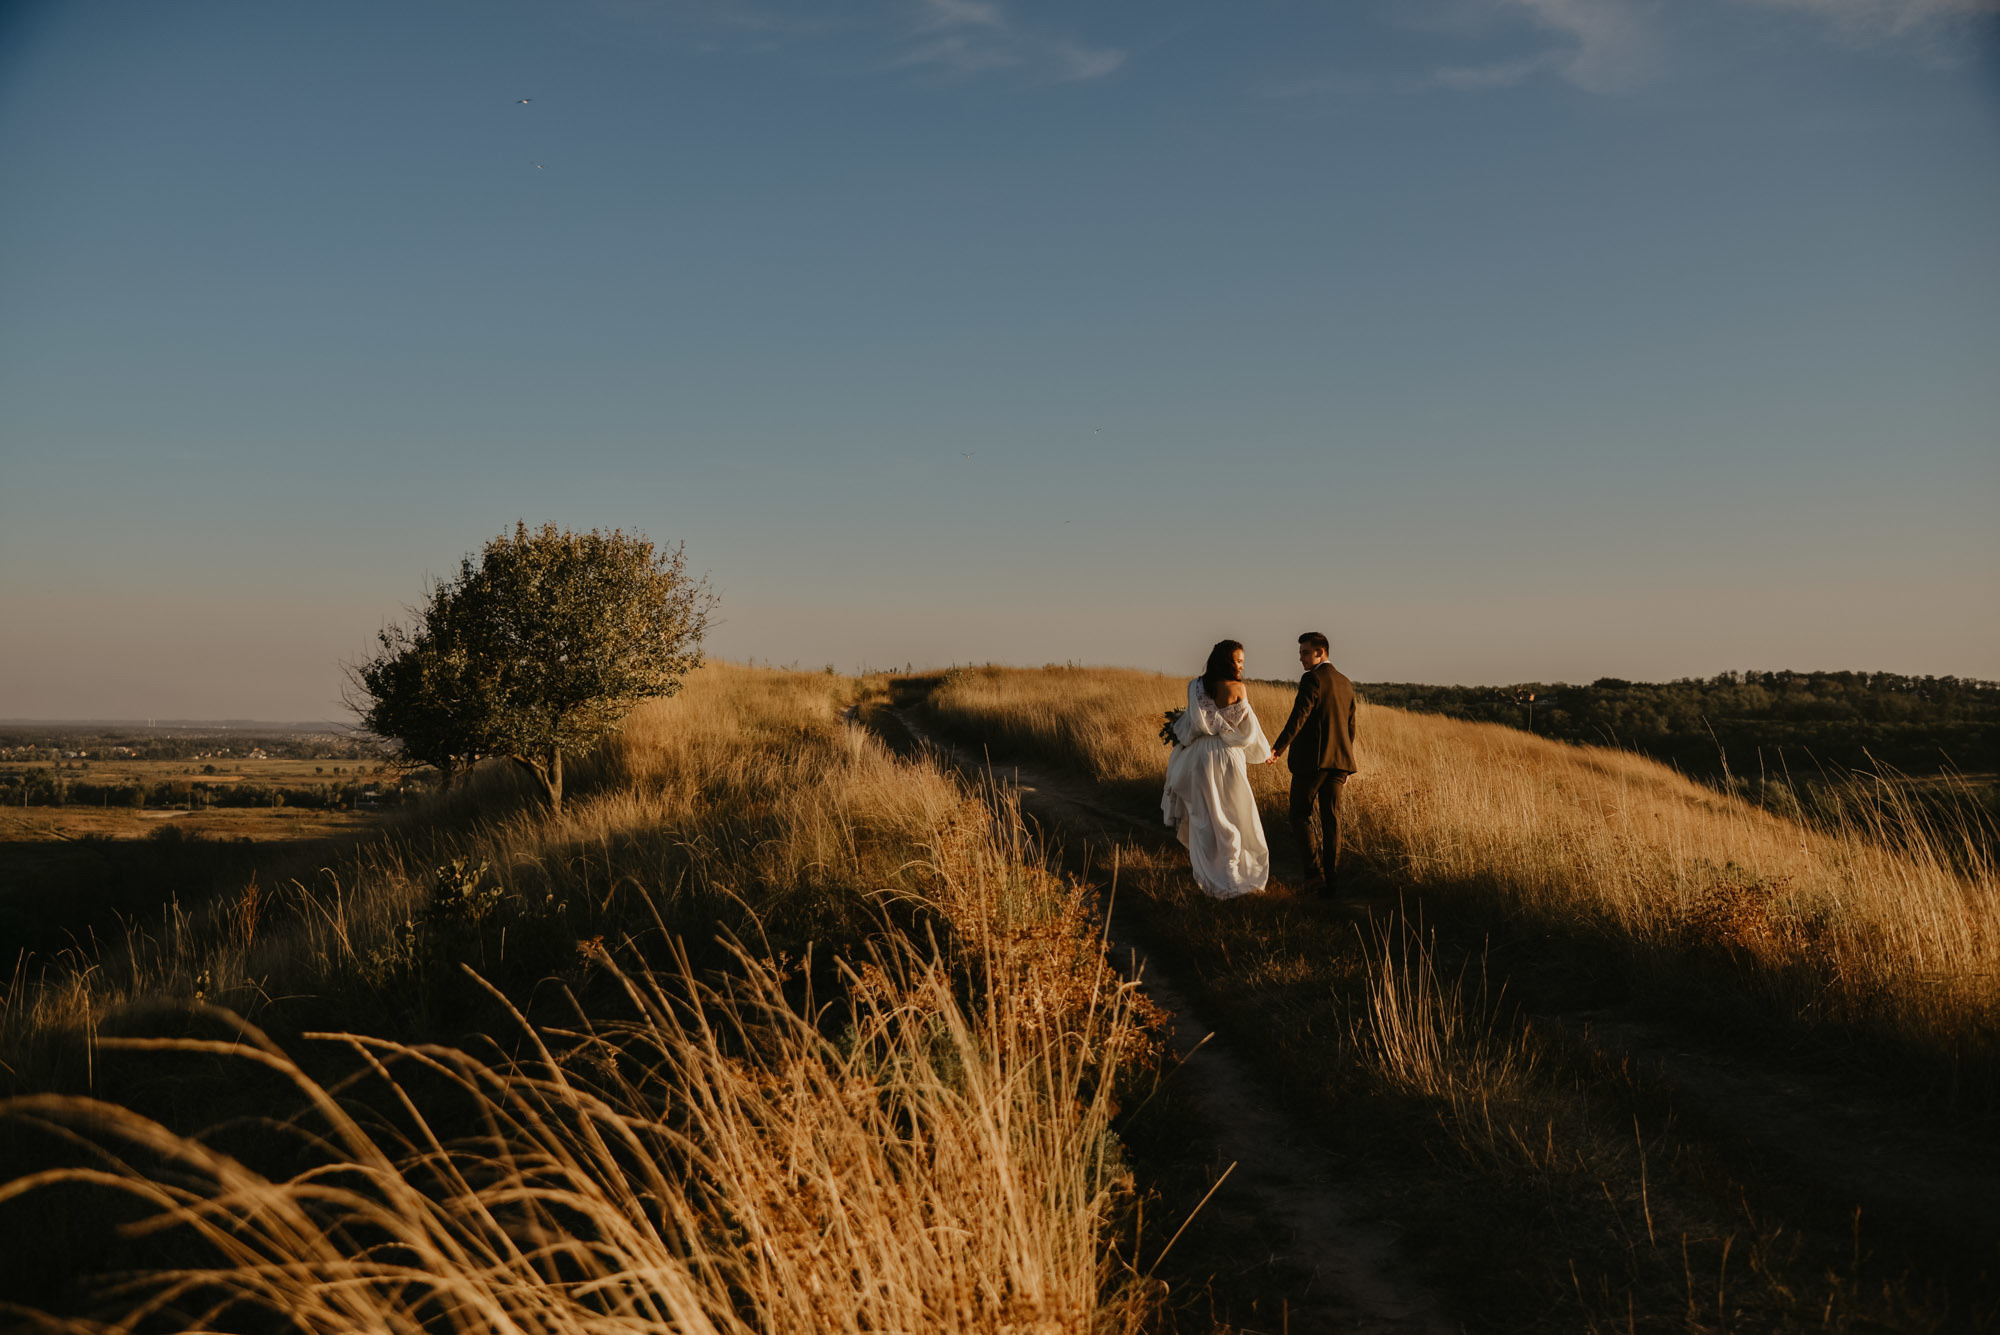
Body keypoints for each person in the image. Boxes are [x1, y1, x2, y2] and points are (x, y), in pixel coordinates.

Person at [1161, 639, 1273, 898]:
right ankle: (1233, 872)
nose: (1242, 666)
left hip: (1200, 757)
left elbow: (1189, 725)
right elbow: (1247, 732)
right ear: (1226, 661)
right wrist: (1264, 752)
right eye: (1238, 660)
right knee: (1236, 814)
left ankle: (1212, 872)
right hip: (1228, 756)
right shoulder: (1239, 689)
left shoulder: (1195, 686)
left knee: (1206, 816)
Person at [1266, 631, 1357, 895]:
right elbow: (1350, 727)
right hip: (1339, 762)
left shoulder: (1312, 679)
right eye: (1301, 653)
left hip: (1312, 762)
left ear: (1321, 652)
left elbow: (1299, 716)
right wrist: (1347, 764)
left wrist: (1278, 748)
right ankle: (1332, 882)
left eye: (1306, 652)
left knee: (1299, 814)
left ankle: (1313, 875)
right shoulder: (1346, 683)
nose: (1301, 658)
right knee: (1332, 822)